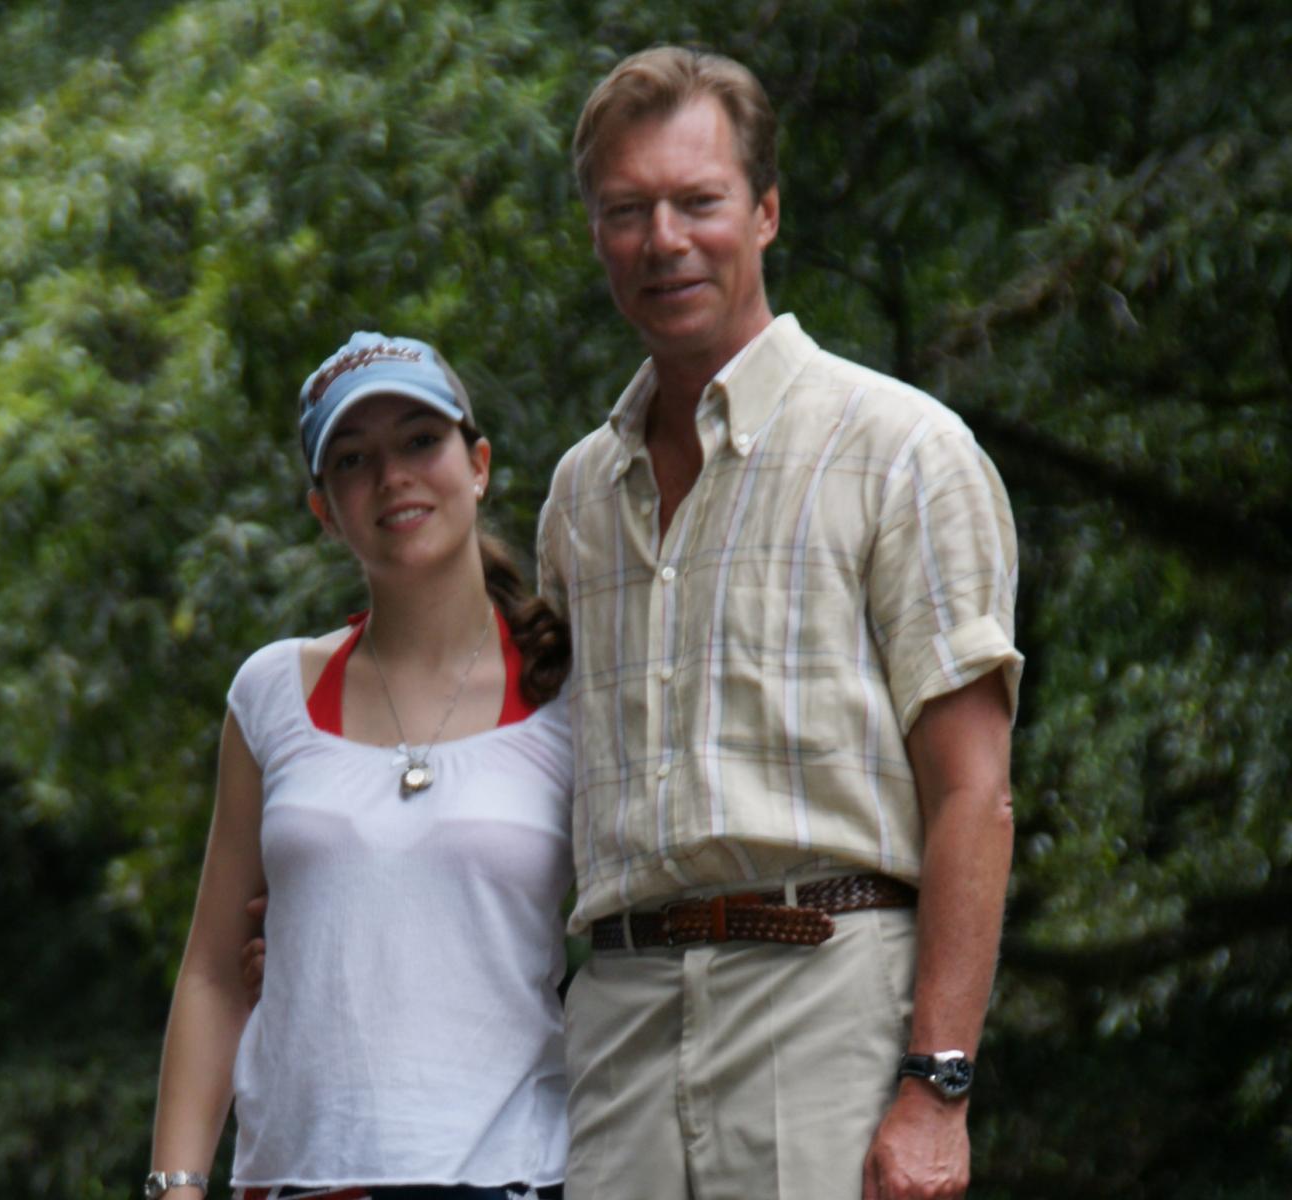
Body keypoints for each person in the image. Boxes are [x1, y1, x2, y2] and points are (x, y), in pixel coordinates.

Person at [535, 47, 1023, 1200]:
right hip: (618, 1028)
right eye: (626, 210)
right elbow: (534, 783)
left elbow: (974, 793)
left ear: (762, 211)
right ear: (597, 232)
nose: (664, 240)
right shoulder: (574, 500)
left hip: (827, 1006)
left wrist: (937, 1084)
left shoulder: (901, 450)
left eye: (697, 201)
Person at [146, 333, 573, 1200]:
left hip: (515, 1175)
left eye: (421, 441)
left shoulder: (573, 694)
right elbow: (215, 970)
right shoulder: (270, 693)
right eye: (354, 458)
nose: (393, 477)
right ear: (325, 510)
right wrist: (175, 1185)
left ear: (479, 463)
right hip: (300, 1179)